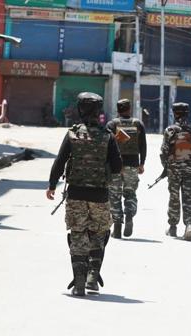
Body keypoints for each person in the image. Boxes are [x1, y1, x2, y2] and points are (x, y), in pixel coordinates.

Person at [46, 92, 122, 296]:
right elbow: (117, 167)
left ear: (80, 109)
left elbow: (59, 161)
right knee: (99, 234)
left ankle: (79, 282)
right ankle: (92, 279)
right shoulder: (108, 136)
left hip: (76, 194)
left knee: (78, 234)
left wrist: (52, 185)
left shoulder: (72, 134)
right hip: (100, 195)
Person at [106, 99, 147, 238]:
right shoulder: (138, 123)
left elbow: (107, 145)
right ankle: (129, 215)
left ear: (118, 110)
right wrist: (142, 163)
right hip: (133, 165)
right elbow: (143, 146)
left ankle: (117, 228)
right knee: (130, 193)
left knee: (114, 196)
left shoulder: (112, 124)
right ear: (129, 109)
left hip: (116, 166)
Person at [160, 102, 191, 241]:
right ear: (187, 113)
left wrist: (166, 166)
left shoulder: (170, 130)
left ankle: (173, 227)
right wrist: (190, 161)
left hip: (174, 169)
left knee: (174, 197)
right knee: (189, 197)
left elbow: (164, 151)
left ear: (175, 113)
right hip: (189, 169)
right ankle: (189, 225)